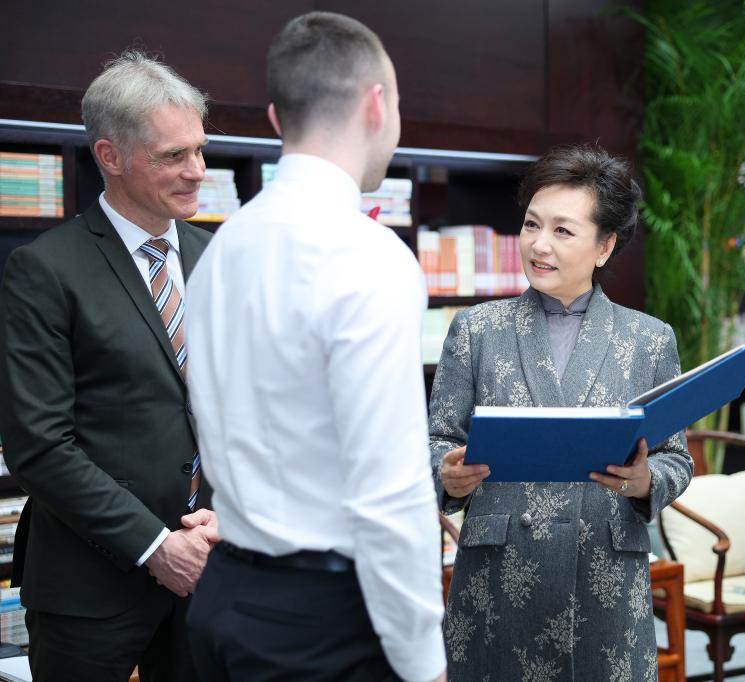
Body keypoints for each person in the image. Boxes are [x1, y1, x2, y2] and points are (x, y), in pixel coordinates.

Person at [184, 12, 446, 682]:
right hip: (326, 624)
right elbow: (389, 492)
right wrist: (424, 662)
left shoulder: (222, 248)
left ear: (276, 117)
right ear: (376, 103)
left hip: (223, 601)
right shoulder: (369, 256)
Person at [430, 143, 693, 681]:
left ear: (605, 246)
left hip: (603, 578)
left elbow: (677, 459)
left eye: (563, 231)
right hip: (499, 577)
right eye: (531, 225)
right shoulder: (477, 330)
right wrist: (448, 475)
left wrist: (645, 479)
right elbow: (435, 442)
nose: (539, 245)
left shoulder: (648, 340)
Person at [0, 51, 218, 681]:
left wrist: (225, 521)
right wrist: (157, 547)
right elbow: (38, 445)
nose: (197, 171)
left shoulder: (222, 258)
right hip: (88, 590)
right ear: (110, 156)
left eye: (200, 150)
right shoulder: (45, 270)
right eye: (173, 156)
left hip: (212, 570)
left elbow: (254, 410)